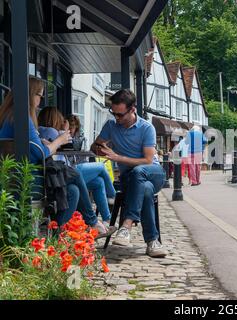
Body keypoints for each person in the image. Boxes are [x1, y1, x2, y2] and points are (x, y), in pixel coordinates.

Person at [0, 78, 109, 236]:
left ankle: (57, 237)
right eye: (40, 96)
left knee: (73, 190)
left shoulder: (7, 116)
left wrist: (43, 143)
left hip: (13, 176)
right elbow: (40, 153)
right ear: (31, 95)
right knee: (75, 174)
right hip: (29, 178)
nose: (40, 101)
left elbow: (34, 147)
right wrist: (60, 140)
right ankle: (92, 222)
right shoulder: (23, 118)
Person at [91, 89, 167, 258]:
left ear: (132, 109)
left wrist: (117, 157)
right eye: (114, 114)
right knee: (145, 189)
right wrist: (100, 149)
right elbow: (94, 146)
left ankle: (126, 225)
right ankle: (152, 242)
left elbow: (147, 160)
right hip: (131, 179)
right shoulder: (111, 126)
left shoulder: (146, 128)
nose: (116, 118)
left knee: (140, 173)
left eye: (120, 115)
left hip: (153, 173)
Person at [38, 107, 116, 230]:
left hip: (62, 172)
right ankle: (112, 197)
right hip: (61, 173)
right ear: (53, 119)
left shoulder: (43, 132)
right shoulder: (50, 131)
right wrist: (65, 130)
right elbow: (68, 143)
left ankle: (106, 220)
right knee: (100, 167)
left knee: (97, 182)